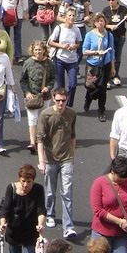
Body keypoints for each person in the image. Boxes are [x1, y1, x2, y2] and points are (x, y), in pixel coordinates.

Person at [37, 87, 77, 239]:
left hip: (66, 159)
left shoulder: (71, 114)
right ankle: (50, 213)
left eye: (64, 101)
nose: (61, 104)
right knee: (50, 191)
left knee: (67, 192)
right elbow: (40, 138)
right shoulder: (46, 115)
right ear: (53, 98)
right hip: (50, 159)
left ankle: (68, 226)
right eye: (58, 100)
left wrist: (72, 155)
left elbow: (73, 135)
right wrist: (41, 161)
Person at [0, 163, 46, 253]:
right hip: (14, 232)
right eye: (23, 181)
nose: (26, 185)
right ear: (19, 179)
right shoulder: (11, 188)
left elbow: (41, 209)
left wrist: (40, 224)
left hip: (30, 233)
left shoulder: (38, 189)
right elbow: (5, 209)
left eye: (29, 182)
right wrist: (2, 224)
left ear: (33, 180)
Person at [19, 41, 56, 154]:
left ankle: (43, 139)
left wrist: (48, 87)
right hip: (32, 95)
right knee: (32, 119)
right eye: (36, 50)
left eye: (40, 50)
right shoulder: (28, 63)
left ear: (44, 50)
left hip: (45, 96)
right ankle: (32, 141)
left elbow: (52, 79)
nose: (38, 52)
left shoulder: (49, 63)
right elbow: (23, 80)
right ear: (32, 50)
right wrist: (27, 93)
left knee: (44, 118)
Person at [83, 13, 116, 122]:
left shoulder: (109, 35)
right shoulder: (90, 35)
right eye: (98, 21)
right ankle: (88, 99)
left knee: (102, 90)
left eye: (102, 21)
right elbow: (84, 51)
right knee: (91, 86)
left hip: (104, 65)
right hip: (92, 65)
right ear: (95, 23)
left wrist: (112, 67)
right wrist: (96, 52)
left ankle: (101, 111)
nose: (100, 23)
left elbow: (111, 52)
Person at [47, 6, 81, 107]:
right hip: (60, 59)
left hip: (72, 60)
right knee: (60, 86)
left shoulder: (76, 29)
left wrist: (74, 46)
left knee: (72, 85)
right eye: (69, 15)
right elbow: (51, 42)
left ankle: (68, 105)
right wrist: (62, 46)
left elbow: (79, 42)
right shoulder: (59, 28)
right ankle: (60, 105)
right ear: (65, 17)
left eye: (73, 16)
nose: (71, 18)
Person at [103, 0, 127, 86]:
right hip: (110, 36)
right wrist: (110, 27)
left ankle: (115, 76)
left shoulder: (123, 9)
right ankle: (107, 78)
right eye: (109, 0)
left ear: (117, 0)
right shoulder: (106, 10)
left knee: (117, 57)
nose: (110, 2)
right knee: (109, 57)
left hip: (120, 36)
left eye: (113, 0)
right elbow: (103, 23)